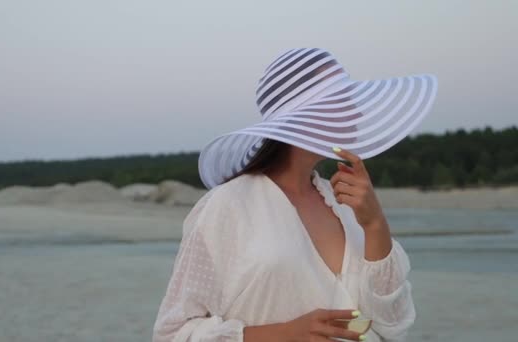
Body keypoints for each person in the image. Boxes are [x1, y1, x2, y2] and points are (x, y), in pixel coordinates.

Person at [152, 47, 438, 341]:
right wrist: (285, 334)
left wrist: (375, 223)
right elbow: (173, 334)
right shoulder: (228, 206)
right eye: (342, 99)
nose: (356, 110)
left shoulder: (344, 203)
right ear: (305, 114)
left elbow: (394, 323)